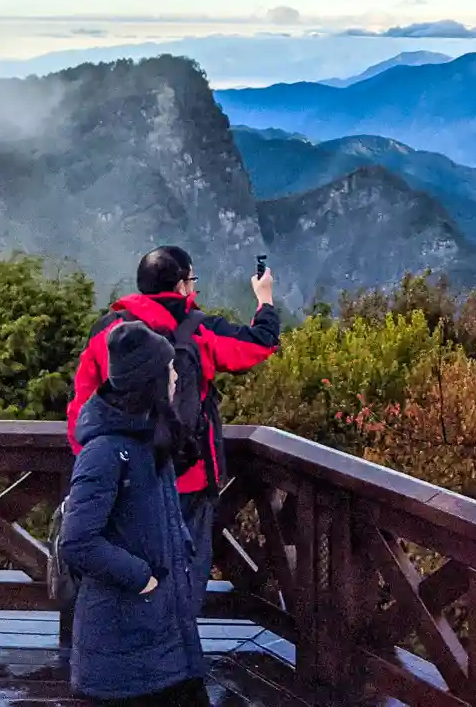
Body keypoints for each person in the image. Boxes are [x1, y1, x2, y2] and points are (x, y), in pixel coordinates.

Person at [67, 246, 280, 605]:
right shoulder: (199, 330)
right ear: (182, 285)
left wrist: (94, 464)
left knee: (126, 569)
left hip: (122, 478)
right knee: (185, 572)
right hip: (189, 475)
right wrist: (265, 299)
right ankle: (179, 645)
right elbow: (259, 344)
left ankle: (134, 647)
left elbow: (82, 409)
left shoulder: (108, 332)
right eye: (191, 279)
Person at [61, 320, 210, 706]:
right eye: (169, 368)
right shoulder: (107, 451)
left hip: (163, 641)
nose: (177, 374)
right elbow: (76, 543)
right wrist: (143, 577)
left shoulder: (148, 438)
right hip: (124, 650)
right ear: (151, 381)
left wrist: (181, 548)